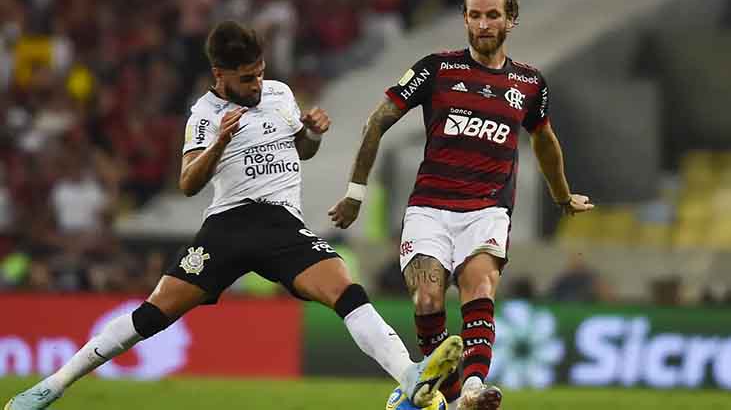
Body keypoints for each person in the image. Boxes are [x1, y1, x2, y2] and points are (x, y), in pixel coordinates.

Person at [5, 20, 463, 410]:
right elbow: (187, 183)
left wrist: (312, 133)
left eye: (260, 73)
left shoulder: (280, 95)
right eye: (246, 79)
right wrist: (220, 142)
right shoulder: (204, 115)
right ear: (219, 75)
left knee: (347, 289)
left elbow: (300, 151)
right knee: (152, 315)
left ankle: (410, 378)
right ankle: (53, 385)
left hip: (282, 223)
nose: (257, 84)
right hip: (227, 226)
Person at [328, 0, 593, 409]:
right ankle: (452, 399)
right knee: (428, 297)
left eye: (493, 15)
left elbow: (544, 141)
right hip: (430, 208)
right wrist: (356, 192)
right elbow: (376, 121)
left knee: (480, 286)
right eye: (475, 15)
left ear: (511, 20)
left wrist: (562, 195)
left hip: (487, 209)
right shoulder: (436, 69)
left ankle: (471, 387)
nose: (484, 24)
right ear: (464, 19)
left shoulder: (528, 84)